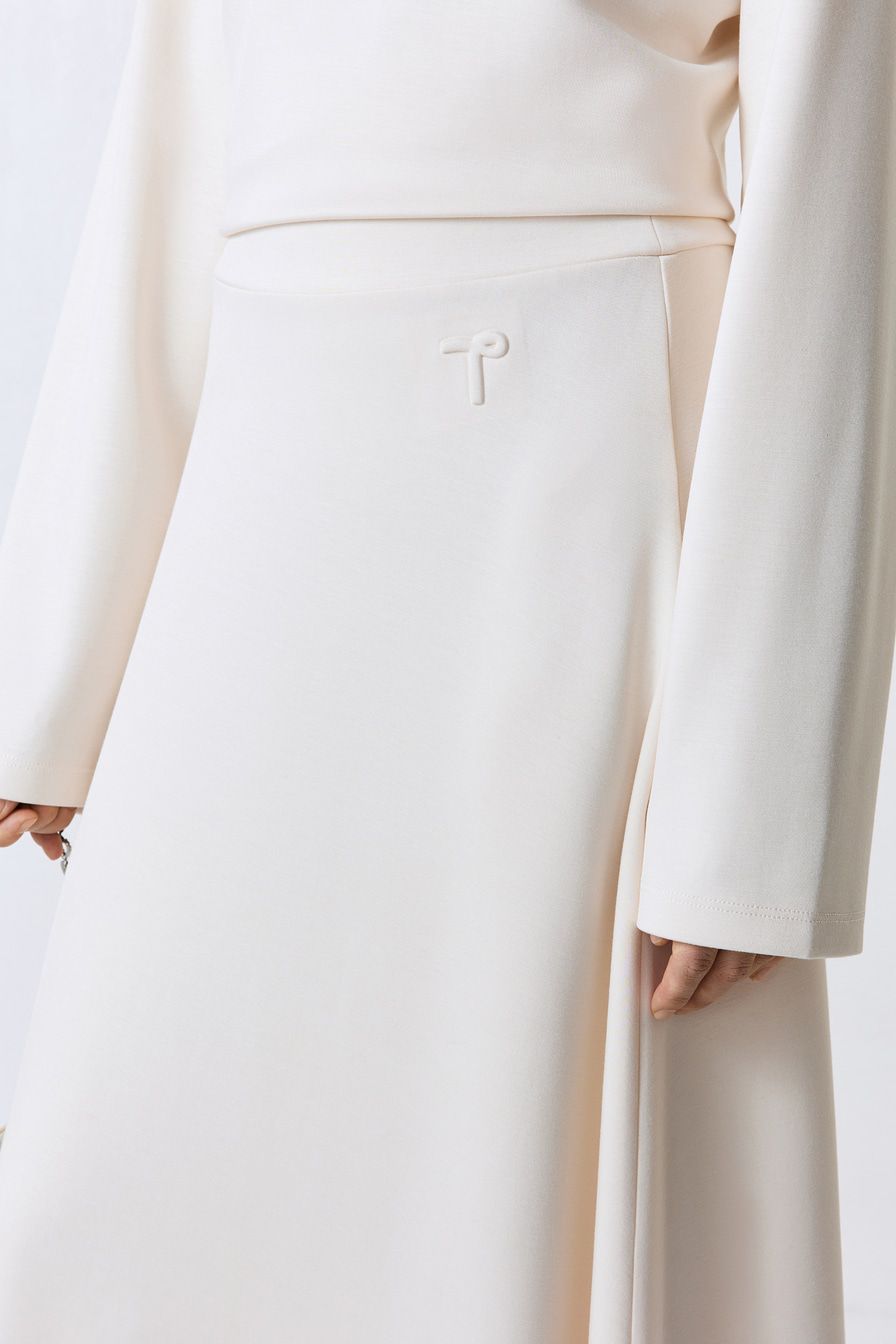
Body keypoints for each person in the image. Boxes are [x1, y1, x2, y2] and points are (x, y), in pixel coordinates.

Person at [0, 2, 893, 1340]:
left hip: (585, 477)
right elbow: (170, 149)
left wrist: (755, 812)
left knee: (505, 1163)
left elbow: (834, 233)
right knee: (132, 1186)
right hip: (255, 502)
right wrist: (48, 672)